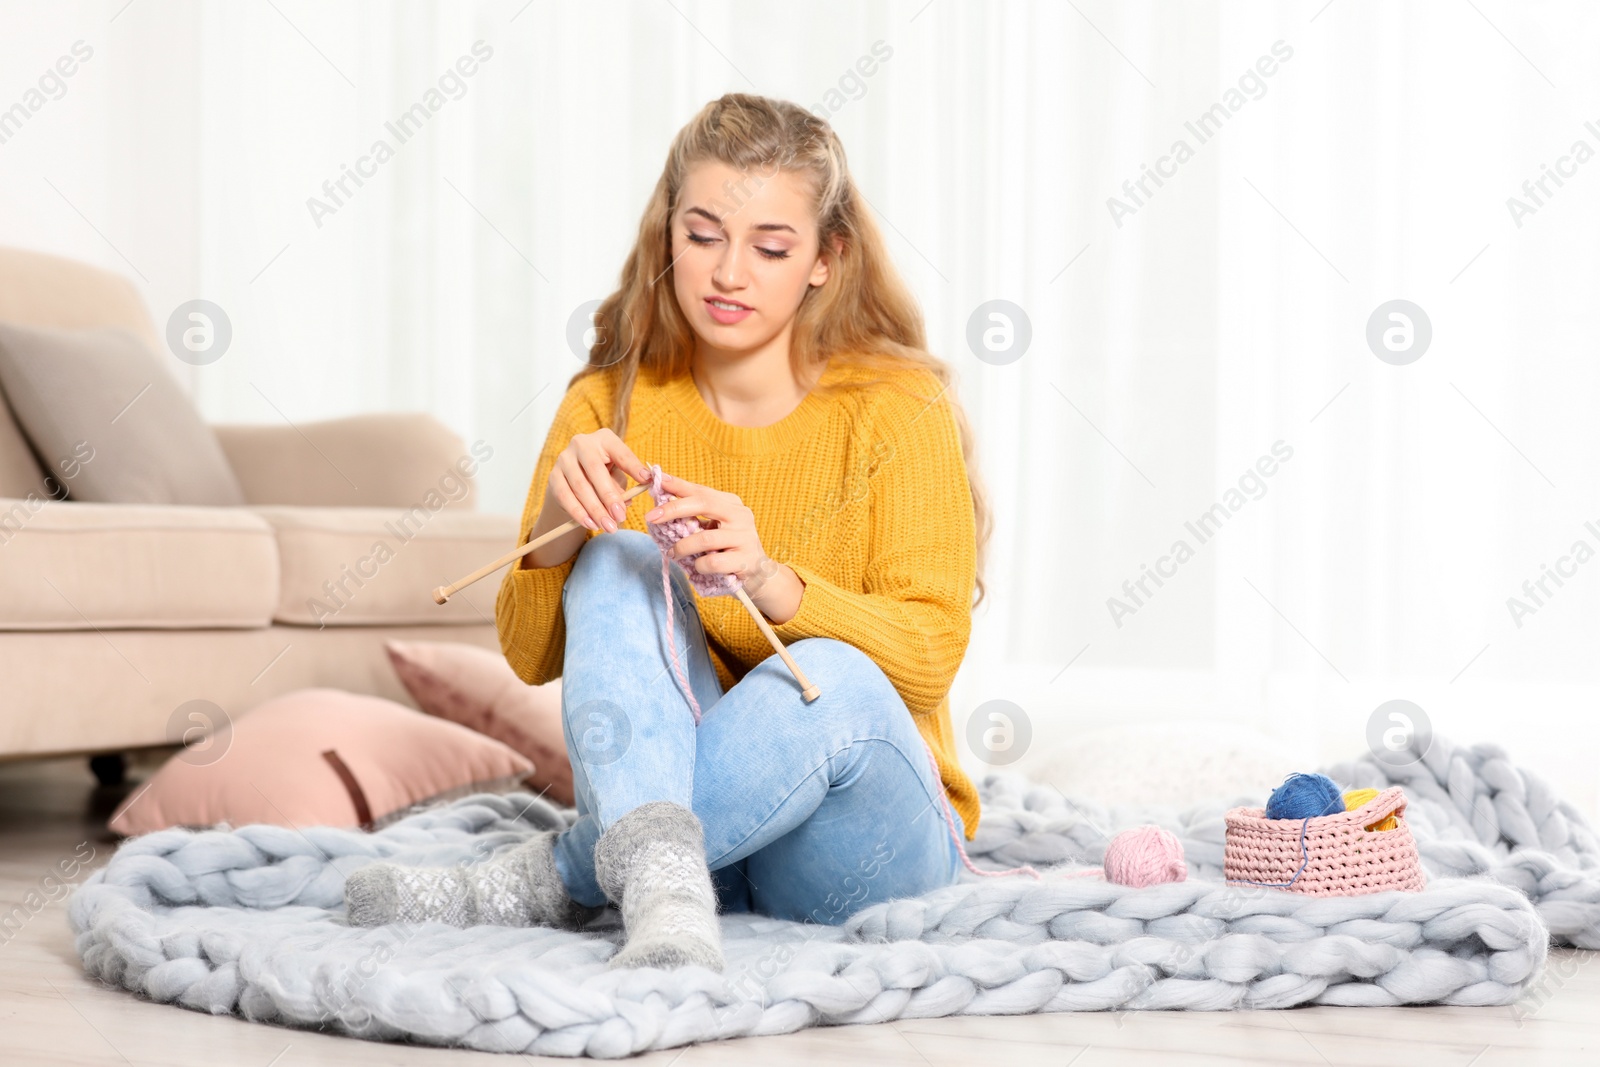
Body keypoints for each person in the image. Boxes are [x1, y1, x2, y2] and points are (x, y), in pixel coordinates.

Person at [345, 92, 995, 973]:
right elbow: (531, 655)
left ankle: (569, 875)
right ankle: (665, 886)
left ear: (823, 259)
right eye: (703, 235)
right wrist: (555, 534)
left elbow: (929, 655)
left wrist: (767, 578)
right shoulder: (609, 401)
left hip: (858, 855)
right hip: (706, 871)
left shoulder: (898, 406)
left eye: (770, 247)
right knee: (618, 552)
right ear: (667, 234)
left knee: (833, 678)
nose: (730, 273)